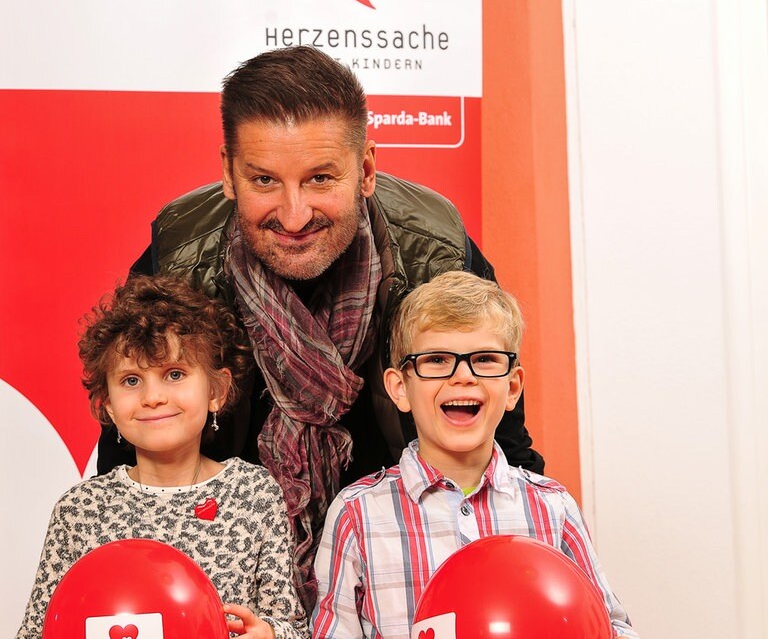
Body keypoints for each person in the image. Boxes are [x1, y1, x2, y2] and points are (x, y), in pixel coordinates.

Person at [96, 44, 543, 608]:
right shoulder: (181, 259)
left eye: (319, 179)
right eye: (263, 180)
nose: (294, 215)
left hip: (397, 562)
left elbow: (502, 440)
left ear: (367, 170)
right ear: (228, 175)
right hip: (232, 571)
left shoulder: (438, 254)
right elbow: (127, 450)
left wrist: (520, 573)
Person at [312, 271, 638, 639]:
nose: (463, 376)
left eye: (484, 359)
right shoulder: (358, 513)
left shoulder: (553, 508)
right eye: (436, 360)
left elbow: (609, 627)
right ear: (400, 388)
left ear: (512, 387)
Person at [16, 276, 308, 639]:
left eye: (174, 374)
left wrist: (269, 634)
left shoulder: (253, 493)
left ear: (216, 391)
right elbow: (36, 632)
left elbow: (292, 625)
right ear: (107, 404)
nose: (152, 397)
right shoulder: (80, 509)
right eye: (132, 381)